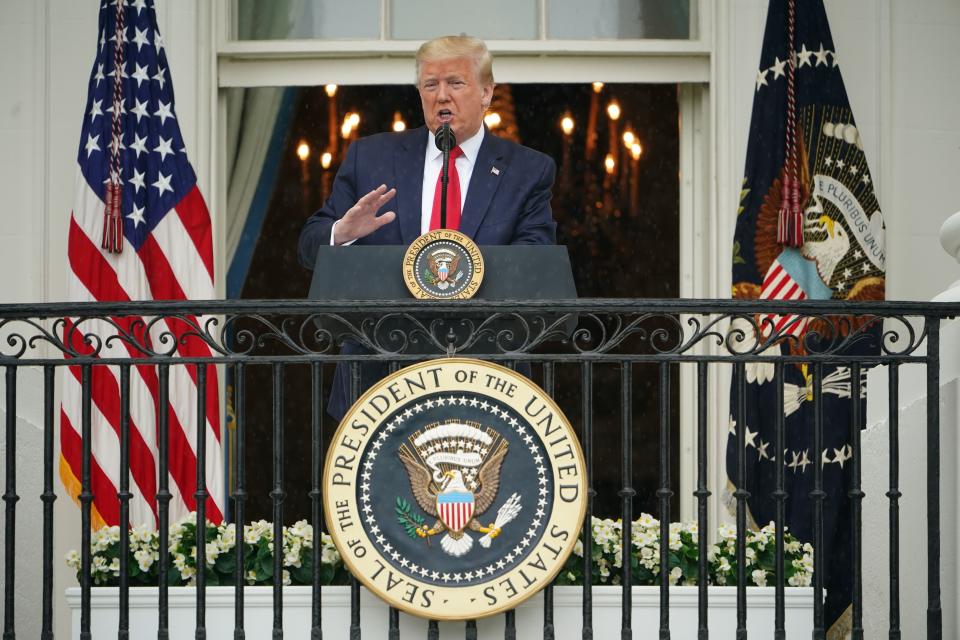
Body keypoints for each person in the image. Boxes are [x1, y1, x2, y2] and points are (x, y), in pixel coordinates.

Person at [298, 35, 557, 420]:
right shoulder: (371, 158)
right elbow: (308, 247)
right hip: (379, 386)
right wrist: (344, 231)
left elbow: (533, 266)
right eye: (430, 85)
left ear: (486, 92)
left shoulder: (527, 171)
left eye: (455, 83)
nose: (441, 96)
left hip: (484, 384)